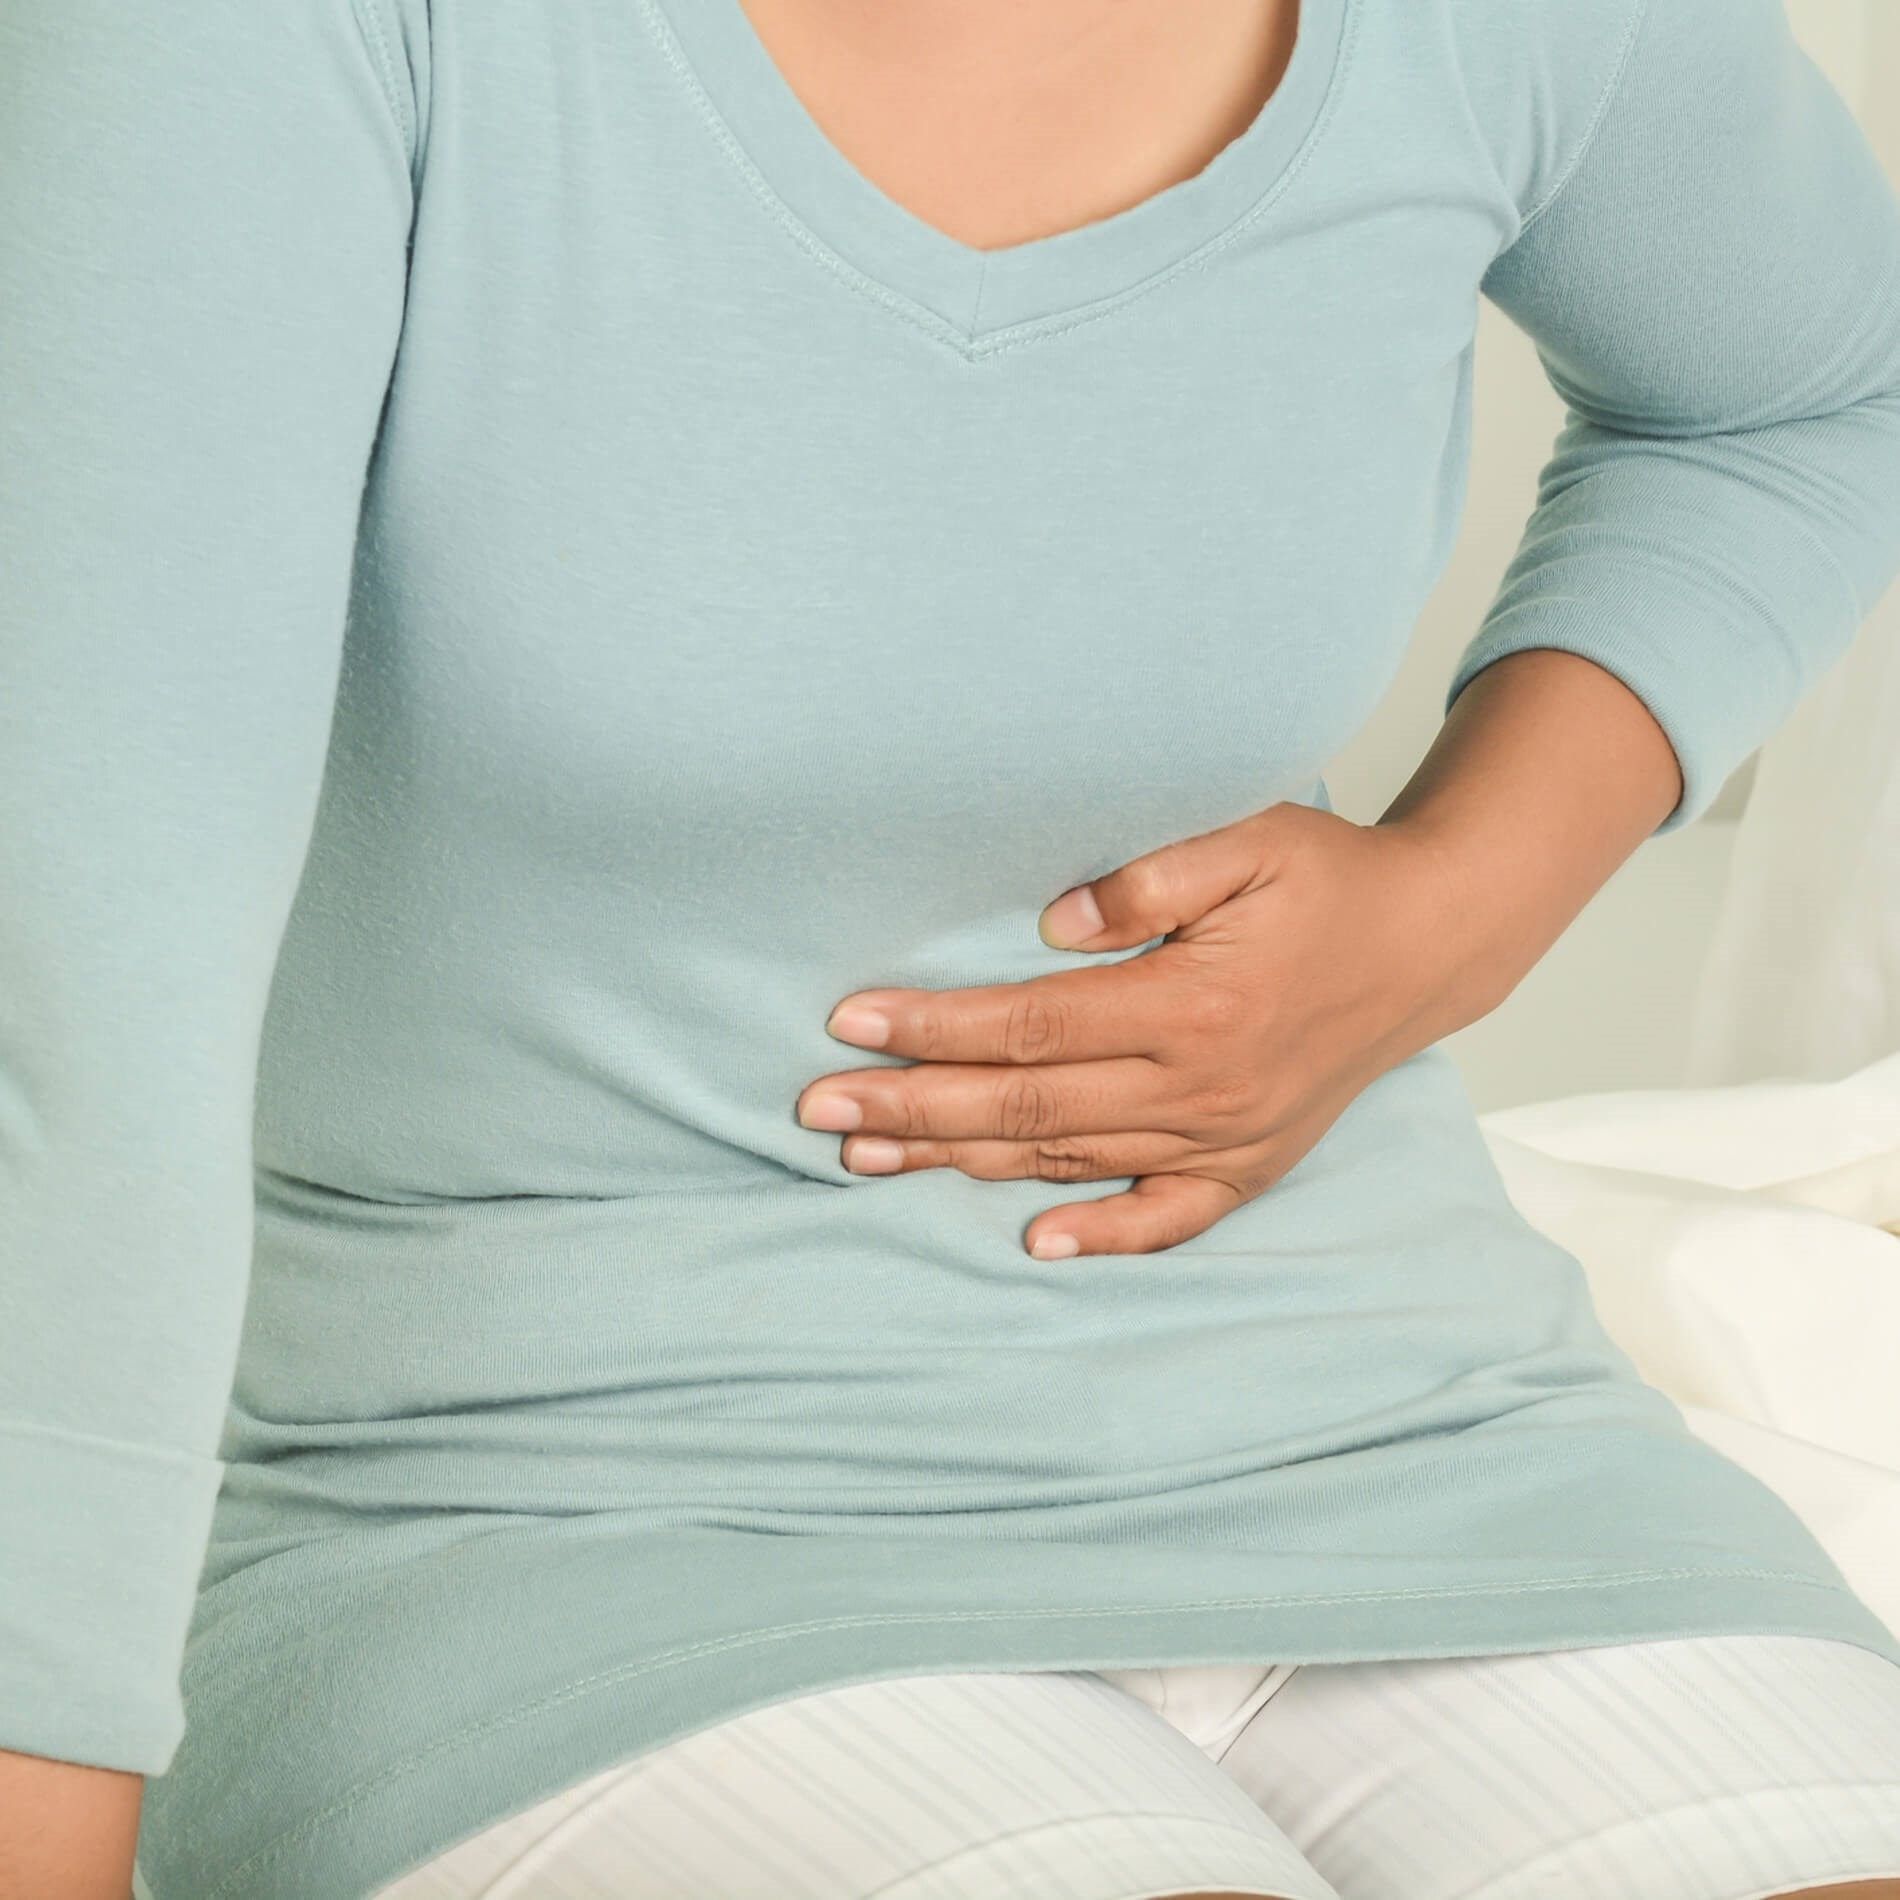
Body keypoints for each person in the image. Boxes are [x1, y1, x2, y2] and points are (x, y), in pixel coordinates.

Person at [4, 0, 1900, 1894]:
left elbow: (1813, 386)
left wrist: (1456, 907)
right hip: (537, 1511)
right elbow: (76, 1029)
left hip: (1414, 1429)